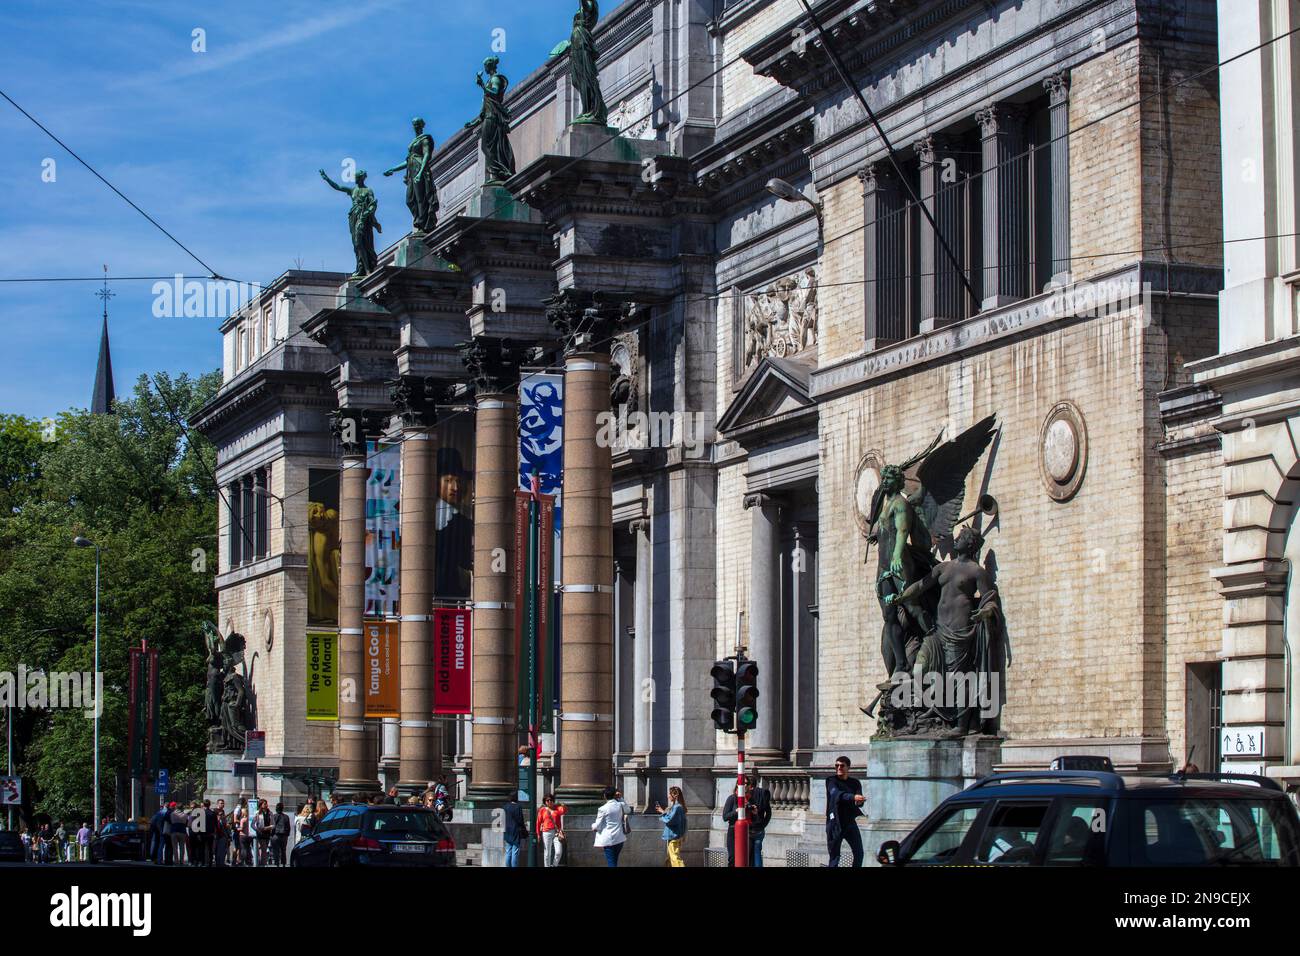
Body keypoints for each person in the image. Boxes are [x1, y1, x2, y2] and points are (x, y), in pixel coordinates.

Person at [826, 755, 865, 867]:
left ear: (848, 767)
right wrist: (853, 797)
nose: (839, 768)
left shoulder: (855, 782)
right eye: (837, 765)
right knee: (835, 857)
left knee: (859, 853)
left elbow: (859, 800)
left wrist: (859, 801)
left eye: (842, 766)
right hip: (835, 824)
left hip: (850, 823)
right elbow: (836, 794)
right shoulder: (831, 781)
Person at [592, 787, 628, 867]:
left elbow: (597, 826)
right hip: (620, 838)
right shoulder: (620, 805)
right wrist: (621, 798)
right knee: (614, 861)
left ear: (605, 796)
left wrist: (593, 826)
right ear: (615, 795)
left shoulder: (602, 809)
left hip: (609, 840)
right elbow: (628, 810)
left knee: (611, 862)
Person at [656, 787, 687, 867]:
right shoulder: (678, 807)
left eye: (670, 794)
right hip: (675, 836)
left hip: (674, 836)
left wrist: (663, 815)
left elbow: (670, 820)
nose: (668, 796)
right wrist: (663, 811)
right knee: (670, 858)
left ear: (675, 795)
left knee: (675, 858)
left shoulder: (677, 807)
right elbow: (673, 818)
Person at [748, 774, 772, 867]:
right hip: (760, 828)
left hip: (750, 828)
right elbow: (768, 813)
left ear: (749, 785)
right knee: (757, 852)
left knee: (749, 854)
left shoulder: (747, 795)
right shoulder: (763, 794)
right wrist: (763, 824)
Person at [536, 794, 567, 868]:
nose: (549, 801)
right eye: (547, 800)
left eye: (551, 800)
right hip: (546, 832)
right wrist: (538, 834)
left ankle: (554, 865)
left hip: (557, 833)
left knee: (558, 852)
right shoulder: (542, 810)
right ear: (545, 802)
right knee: (547, 853)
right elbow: (538, 822)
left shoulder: (557, 808)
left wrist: (563, 805)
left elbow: (564, 811)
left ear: (553, 801)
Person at [502, 793, 526, 868]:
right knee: (515, 852)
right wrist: (524, 829)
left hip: (507, 831)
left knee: (508, 851)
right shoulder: (518, 807)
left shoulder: (505, 807)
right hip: (516, 831)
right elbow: (520, 820)